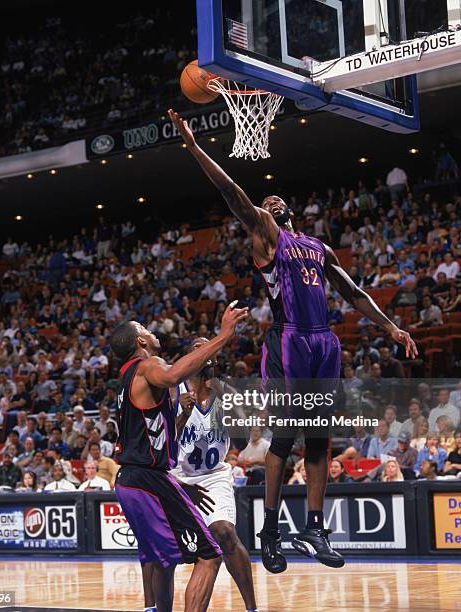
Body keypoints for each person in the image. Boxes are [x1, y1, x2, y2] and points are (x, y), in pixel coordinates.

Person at [169, 108, 417, 572]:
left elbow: (353, 291)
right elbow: (232, 191)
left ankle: (316, 527)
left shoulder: (316, 247)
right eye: (267, 200)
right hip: (287, 341)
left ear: (292, 210)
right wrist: (195, 146)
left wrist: (389, 326)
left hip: (324, 342)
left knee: (320, 439)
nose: (273, 201)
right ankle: (268, 530)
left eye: (277, 199)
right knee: (285, 436)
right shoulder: (265, 234)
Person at [109, 300, 248, 612]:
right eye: (145, 330)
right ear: (140, 341)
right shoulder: (148, 365)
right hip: (148, 478)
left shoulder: (126, 377)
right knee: (210, 554)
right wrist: (224, 335)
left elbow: (157, 430)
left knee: (163, 559)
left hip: (129, 480)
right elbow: (172, 376)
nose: (152, 332)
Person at [161, 337, 258, 612]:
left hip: (214, 476)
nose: (204, 352)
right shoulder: (172, 391)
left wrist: (234, 410)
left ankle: (252, 608)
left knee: (225, 533)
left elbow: (241, 443)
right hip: (178, 477)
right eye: (196, 348)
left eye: (209, 347)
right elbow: (162, 444)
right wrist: (179, 415)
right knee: (168, 554)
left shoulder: (226, 393)